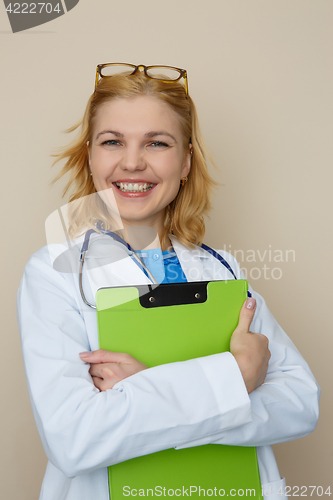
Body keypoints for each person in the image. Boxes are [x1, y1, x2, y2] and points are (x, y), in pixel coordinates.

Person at [17, 64, 320, 500]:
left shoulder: (222, 269)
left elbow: (300, 403)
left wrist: (149, 385)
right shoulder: (54, 271)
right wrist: (233, 376)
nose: (133, 161)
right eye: (112, 141)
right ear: (90, 156)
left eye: (157, 143)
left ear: (186, 163)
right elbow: (75, 438)